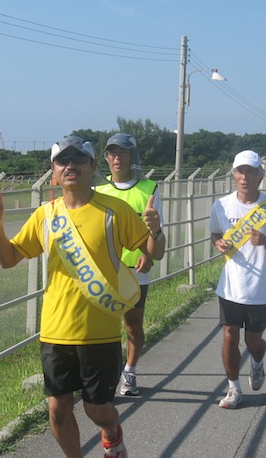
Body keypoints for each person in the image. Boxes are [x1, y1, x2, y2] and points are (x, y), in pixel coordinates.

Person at [0, 135, 165, 458]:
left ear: (93, 167)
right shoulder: (45, 215)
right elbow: (9, 259)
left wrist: (155, 231)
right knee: (57, 409)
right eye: (62, 161)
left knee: (97, 410)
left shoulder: (115, 210)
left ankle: (112, 433)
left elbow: (155, 253)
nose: (70, 167)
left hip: (100, 331)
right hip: (55, 330)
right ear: (53, 172)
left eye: (78, 160)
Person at [209, 150, 266, 409]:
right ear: (234, 174)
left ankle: (257, 363)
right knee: (229, 336)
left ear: (260, 176)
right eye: (240, 171)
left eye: (251, 171)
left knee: (253, 342)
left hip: (259, 288)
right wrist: (218, 243)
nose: (245, 177)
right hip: (230, 286)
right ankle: (233, 389)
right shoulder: (221, 205)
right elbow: (214, 234)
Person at [96, 132, 164, 396]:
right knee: (105, 327)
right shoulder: (99, 190)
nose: (116, 158)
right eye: (112, 153)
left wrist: (147, 255)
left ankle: (130, 372)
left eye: (123, 152)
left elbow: (157, 230)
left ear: (132, 156)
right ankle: (106, 375)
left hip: (136, 271)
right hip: (105, 271)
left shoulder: (149, 189)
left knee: (132, 325)